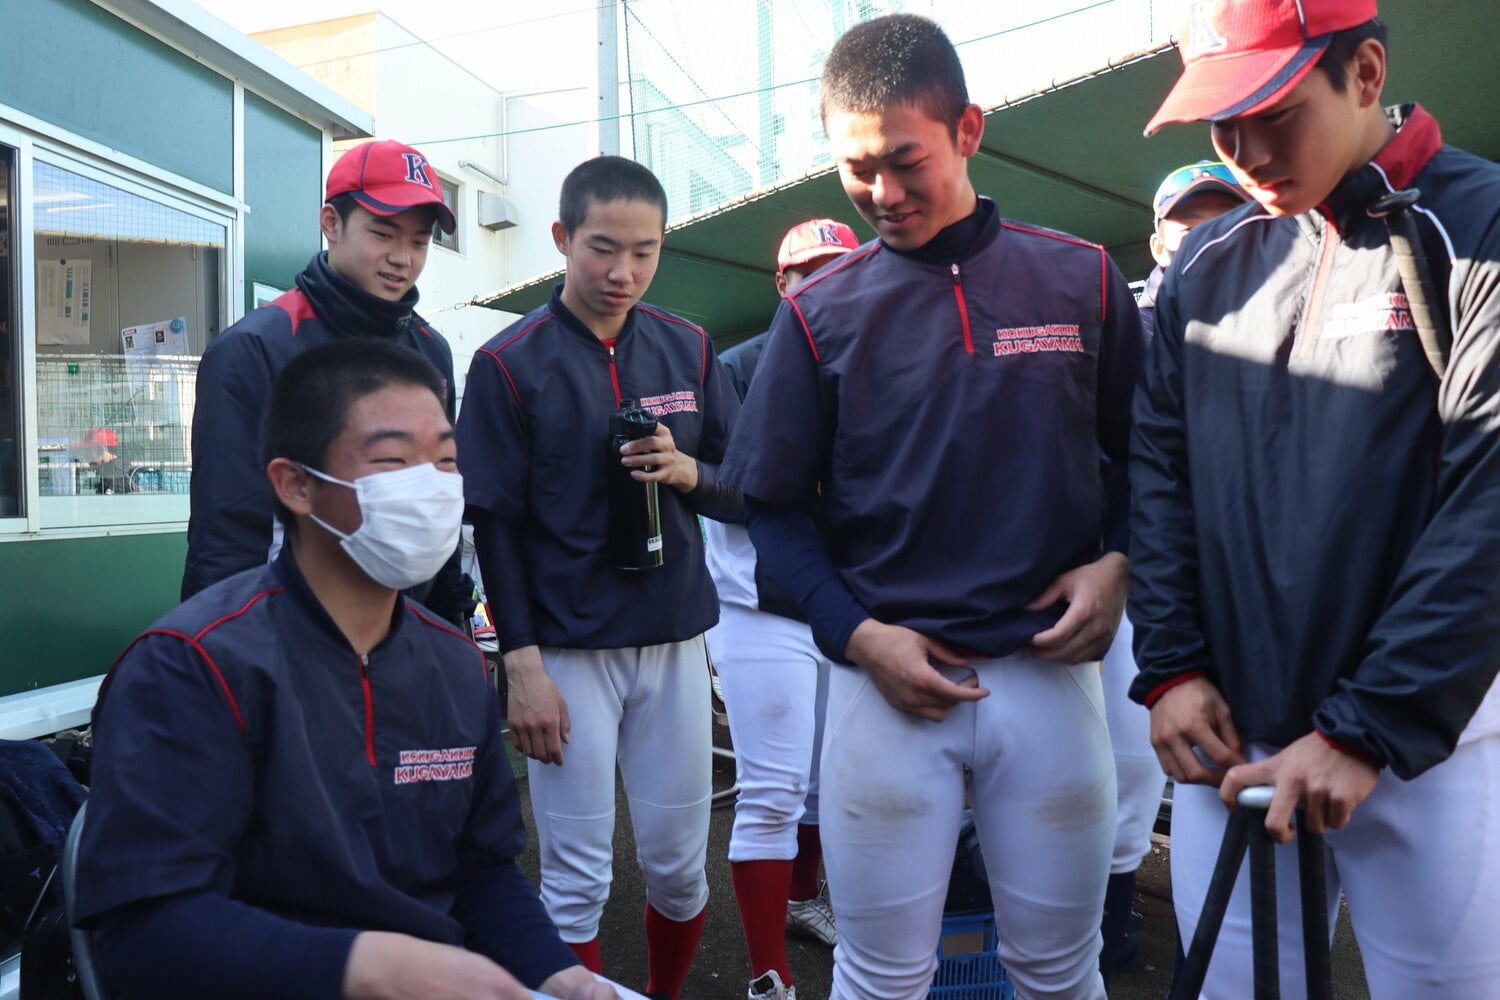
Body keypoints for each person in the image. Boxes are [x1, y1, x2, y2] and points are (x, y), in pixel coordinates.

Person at [719, 14, 1145, 999]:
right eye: (854, 168)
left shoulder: (1078, 276)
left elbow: (1151, 458)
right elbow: (771, 509)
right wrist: (856, 636)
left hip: (1046, 678)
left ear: (968, 130)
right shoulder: (817, 313)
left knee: (1057, 970)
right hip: (887, 689)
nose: (882, 192)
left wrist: (1120, 560)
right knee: (879, 977)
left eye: (904, 159)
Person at [72, 339, 626, 1000]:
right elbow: (146, 930)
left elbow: (480, 870)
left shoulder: (454, 663)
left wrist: (556, 972)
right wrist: (367, 968)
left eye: (446, 461)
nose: (431, 487)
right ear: (295, 484)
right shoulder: (192, 667)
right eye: (393, 460)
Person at [1132, 1, 1500, 995]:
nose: (1244, 150)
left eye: (1272, 110)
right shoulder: (1204, 265)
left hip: (1423, 742)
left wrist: (1367, 724)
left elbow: (1489, 502)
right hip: (1230, 735)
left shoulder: (1478, 225)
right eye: (1220, 122)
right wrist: (1169, 667)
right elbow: (1159, 473)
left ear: (1367, 74)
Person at [455, 155, 742, 1000]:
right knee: (576, 880)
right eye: (602, 249)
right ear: (561, 240)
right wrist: (523, 663)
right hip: (569, 652)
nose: (623, 273)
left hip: (675, 640)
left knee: (682, 870)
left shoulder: (688, 345)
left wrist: (688, 472)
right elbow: (494, 525)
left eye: (645, 252)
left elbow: (750, 485)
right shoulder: (509, 363)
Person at [182, 138, 473, 626]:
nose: (403, 257)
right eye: (383, 234)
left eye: (419, 241)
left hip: (404, 643)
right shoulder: (254, 348)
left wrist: (450, 627)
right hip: (291, 634)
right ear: (331, 224)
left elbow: (437, 504)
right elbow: (225, 534)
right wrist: (224, 657)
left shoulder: (431, 351)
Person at [1097, 159, 1248, 987]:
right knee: (1128, 763)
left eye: (1221, 210)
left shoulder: (1278, 302)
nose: (1205, 229)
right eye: (1187, 219)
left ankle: (1207, 941)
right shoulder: (1126, 317)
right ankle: (1119, 915)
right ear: (1158, 237)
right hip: (1132, 576)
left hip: (1233, 592)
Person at [706, 218, 860, 1000]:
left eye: (843, 268)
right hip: (759, 606)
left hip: (844, 609)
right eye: (811, 272)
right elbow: (723, 489)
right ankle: (769, 976)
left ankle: (803, 901)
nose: (827, 283)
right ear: (783, 283)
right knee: (772, 789)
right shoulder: (736, 367)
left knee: (830, 786)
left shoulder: (870, 356)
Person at [74, 426, 133, 494]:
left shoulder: (114, 479)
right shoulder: (120, 471)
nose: (86, 455)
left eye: (88, 450)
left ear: (100, 449)